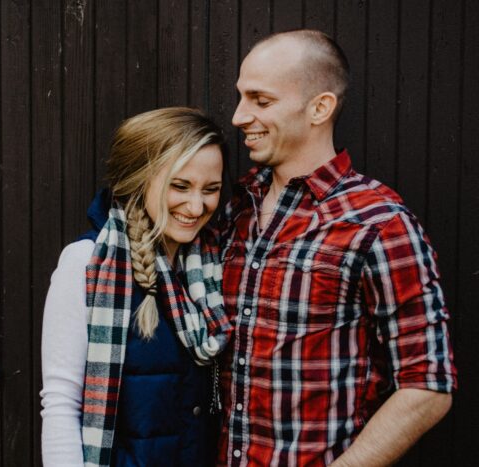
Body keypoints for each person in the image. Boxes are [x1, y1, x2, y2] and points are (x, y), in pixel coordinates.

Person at [217, 30, 457, 466]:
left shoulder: (378, 222)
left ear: (320, 107)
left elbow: (427, 384)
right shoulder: (231, 207)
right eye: (240, 97)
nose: (238, 116)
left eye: (260, 100)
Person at [40, 107, 233, 466]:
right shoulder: (86, 262)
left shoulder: (213, 267)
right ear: (139, 178)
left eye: (211, 189)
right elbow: (62, 403)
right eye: (180, 186)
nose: (196, 205)